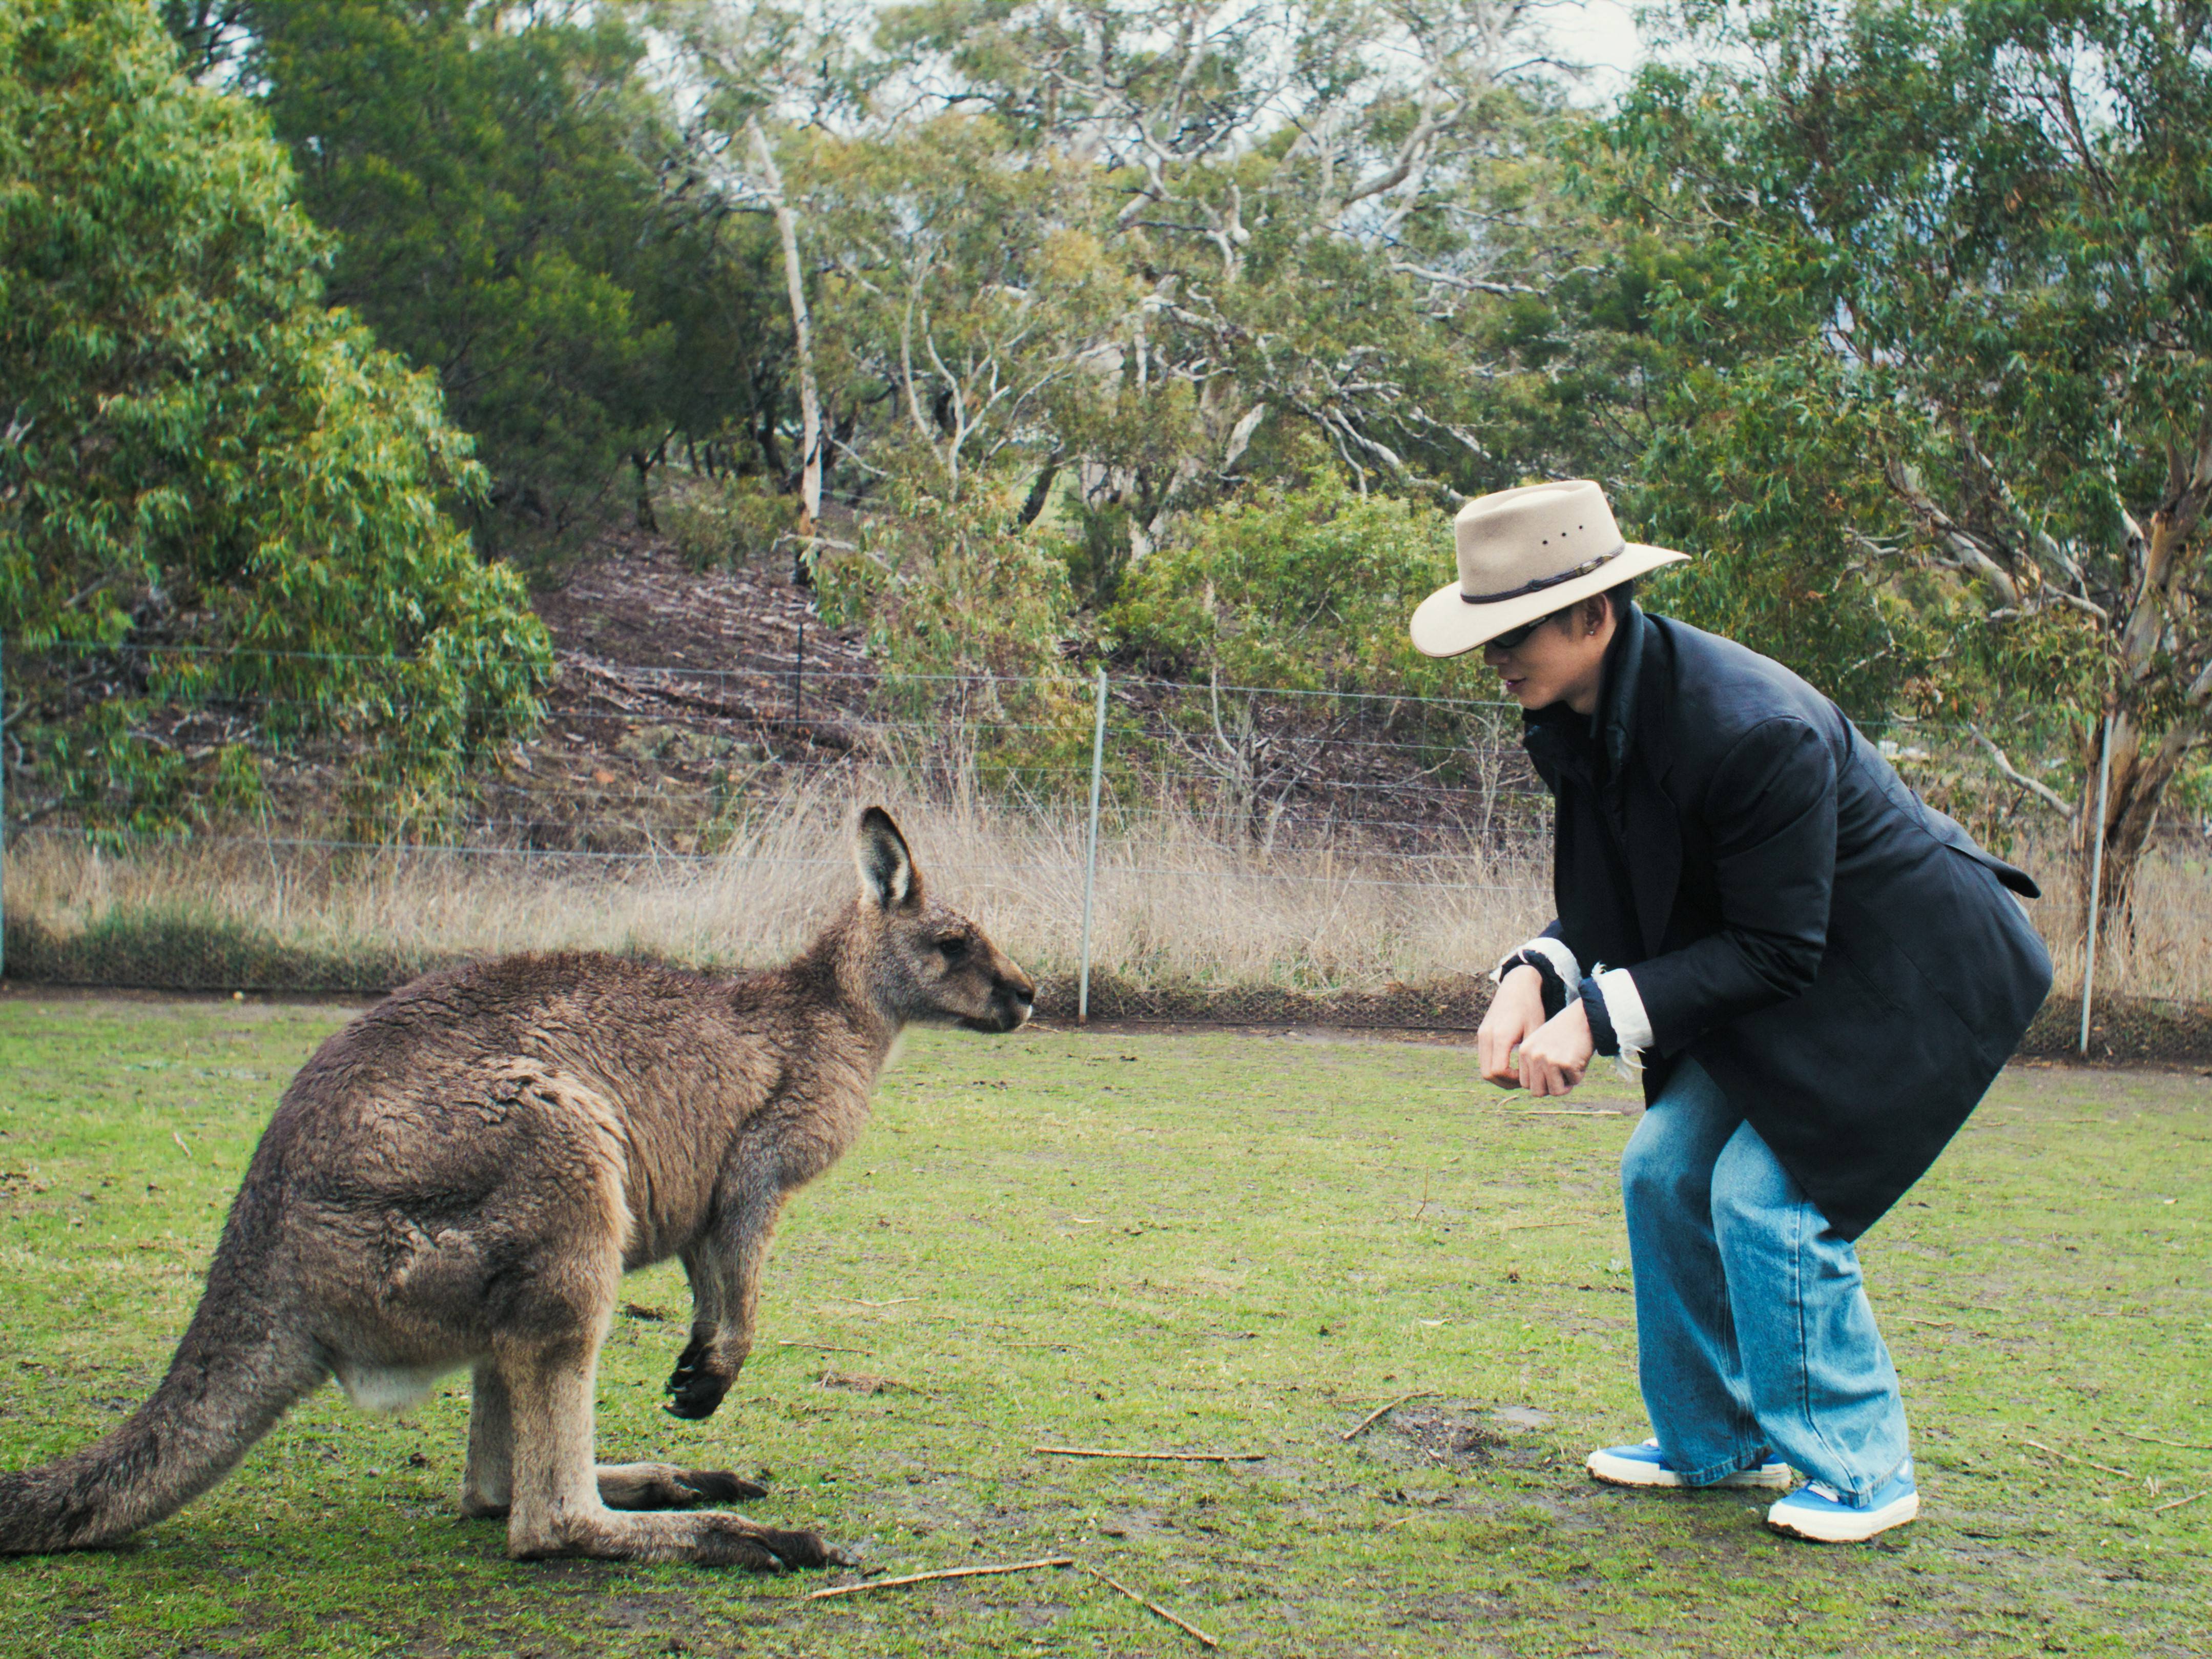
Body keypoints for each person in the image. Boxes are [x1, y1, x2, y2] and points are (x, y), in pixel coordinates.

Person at [1410, 480, 2052, 1543]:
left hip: (1910, 980)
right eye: (1486, 637)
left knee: (1764, 1196)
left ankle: (1860, 1467)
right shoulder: (1580, 715)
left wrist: (1594, 1016)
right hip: (1789, 968)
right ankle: (1712, 1438)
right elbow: (1614, 900)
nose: (1497, 659)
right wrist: (1530, 972)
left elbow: (1773, 945)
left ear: (1592, 613)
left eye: (1513, 631)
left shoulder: (1750, 728)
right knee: (1661, 1165)